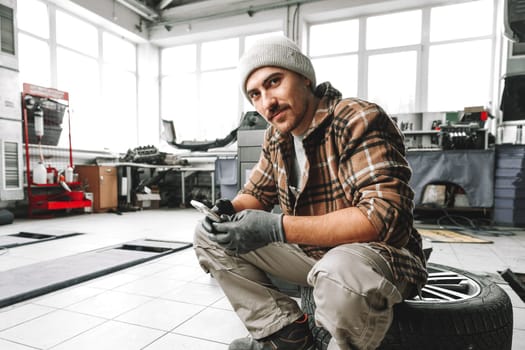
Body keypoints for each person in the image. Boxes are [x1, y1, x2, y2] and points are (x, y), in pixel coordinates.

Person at [193, 35, 428, 350]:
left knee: (339, 269)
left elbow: (383, 219)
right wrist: (228, 209)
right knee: (207, 236)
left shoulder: (356, 118)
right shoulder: (277, 137)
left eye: (274, 82)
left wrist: (276, 227)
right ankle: (284, 336)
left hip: (378, 258)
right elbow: (257, 194)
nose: (267, 102)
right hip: (313, 255)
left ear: (304, 77)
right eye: (255, 95)